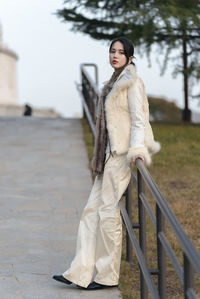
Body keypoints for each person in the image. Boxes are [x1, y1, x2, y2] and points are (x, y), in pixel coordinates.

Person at [53, 37, 160, 290]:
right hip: (107, 156)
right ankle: (78, 272)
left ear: (130, 58)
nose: (115, 55)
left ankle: (107, 276)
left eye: (121, 52)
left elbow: (138, 120)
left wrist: (136, 150)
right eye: (112, 51)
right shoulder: (112, 82)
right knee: (91, 212)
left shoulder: (131, 83)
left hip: (121, 156)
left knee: (107, 214)